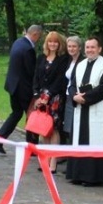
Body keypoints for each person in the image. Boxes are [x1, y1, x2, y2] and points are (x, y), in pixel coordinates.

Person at [66, 37, 103, 186]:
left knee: (94, 139)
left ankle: (93, 177)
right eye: (87, 47)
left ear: (99, 49)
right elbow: (72, 84)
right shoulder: (80, 65)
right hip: (80, 108)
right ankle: (77, 174)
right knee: (79, 139)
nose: (89, 50)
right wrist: (74, 96)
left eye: (93, 47)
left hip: (96, 108)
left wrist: (85, 98)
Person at [0, 24, 41, 153]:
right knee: (32, 115)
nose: (39, 40)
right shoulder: (28, 49)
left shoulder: (18, 42)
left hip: (13, 86)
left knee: (16, 113)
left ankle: (0, 137)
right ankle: (31, 147)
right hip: (23, 88)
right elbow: (31, 71)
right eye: (39, 37)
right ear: (35, 34)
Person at [32, 31, 71, 172]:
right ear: (46, 43)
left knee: (53, 128)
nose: (52, 44)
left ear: (59, 44)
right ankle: (45, 159)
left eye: (55, 42)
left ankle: (53, 161)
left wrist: (47, 96)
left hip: (55, 98)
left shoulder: (63, 59)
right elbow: (35, 77)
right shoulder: (41, 58)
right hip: (40, 97)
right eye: (50, 41)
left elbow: (61, 80)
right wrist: (37, 96)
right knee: (44, 129)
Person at [61, 35, 83, 155]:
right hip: (66, 95)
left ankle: (73, 156)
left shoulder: (82, 61)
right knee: (67, 126)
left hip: (74, 96)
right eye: (69, 46)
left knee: (72, 127)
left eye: (74, 46)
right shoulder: (69, 60)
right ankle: (68, 154)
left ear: (79, 48)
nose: (71, 49)